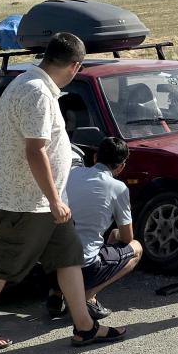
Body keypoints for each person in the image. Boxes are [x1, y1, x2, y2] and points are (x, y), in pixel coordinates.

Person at [0, 33, 127, 352]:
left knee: (69, 258)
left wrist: (55, 201)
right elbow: (36, 151)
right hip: (27, 205)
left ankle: (85, 327)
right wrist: (53, 199)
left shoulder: (30, 84)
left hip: (45, 206)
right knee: (5, 268)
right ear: (75, 66)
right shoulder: (36, 93)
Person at [45, 137, 142, 321]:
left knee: (70, 240)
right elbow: (128, 237)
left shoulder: (71, 174)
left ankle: (56, 293)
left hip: (53, 263)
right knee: (136, 248)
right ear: (121, 166)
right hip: (84, 267)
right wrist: (115, 233)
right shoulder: (118, 188)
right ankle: (88, 295)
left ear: (95, 157)